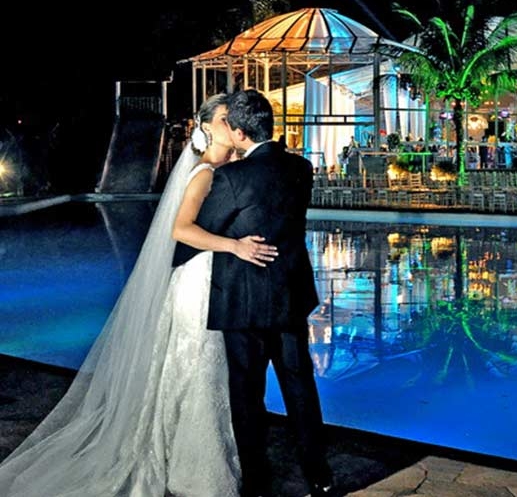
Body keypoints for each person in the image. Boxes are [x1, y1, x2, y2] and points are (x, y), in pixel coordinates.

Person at [0, 93, 277, 496]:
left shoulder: (234, 169)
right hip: (199, 280)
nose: (231, 121)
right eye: (224, 117)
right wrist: (233, 246)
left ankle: (209, 451)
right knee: (197, 364)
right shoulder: (202, 173)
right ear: (207, 127)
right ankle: (195, 465)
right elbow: (180, 230)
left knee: (211, 368)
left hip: (220, 281)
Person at [181, 88, 332, 497]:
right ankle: (319, 475)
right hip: (290, 296)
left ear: (238, 132)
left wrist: (230, 245)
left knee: (247, 395)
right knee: (300, 388)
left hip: (242, 301)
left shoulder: (231, 178)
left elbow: (199, 230)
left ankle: (256, 481)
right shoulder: (302, 168)